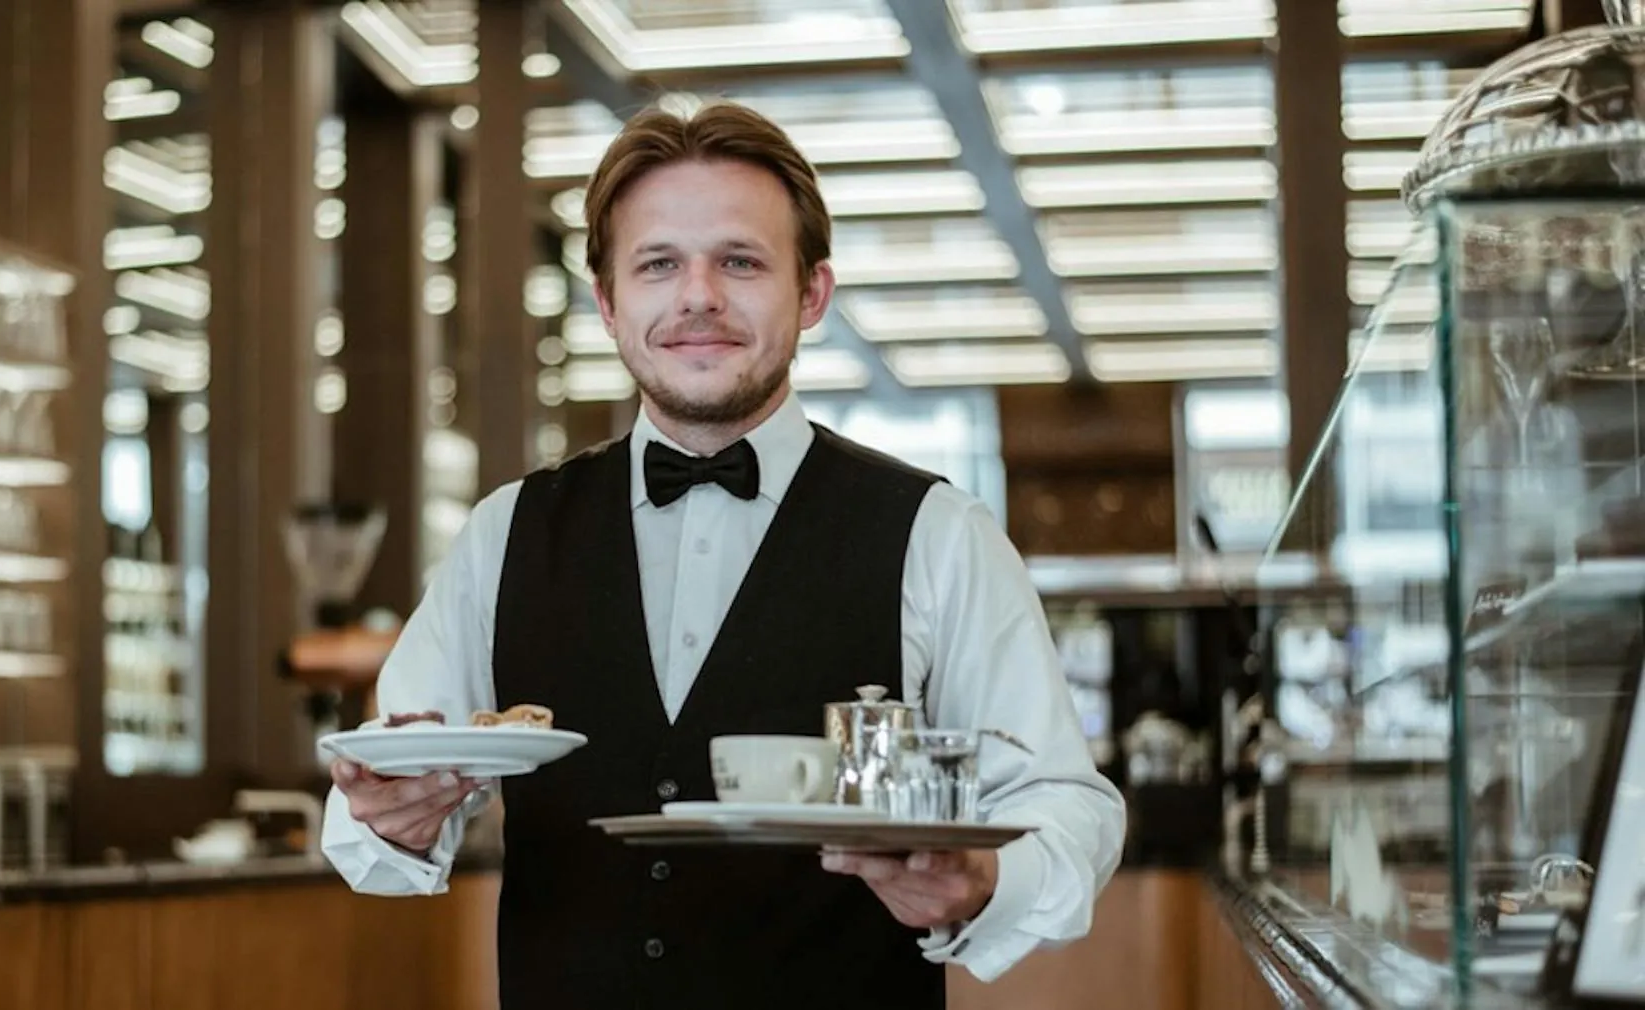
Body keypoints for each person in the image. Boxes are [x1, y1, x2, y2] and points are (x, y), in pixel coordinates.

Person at [322, 99, 1125, 1009]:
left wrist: (985, 884)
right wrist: (391, 815)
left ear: (812, 292)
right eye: (659, 264)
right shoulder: (505, 534)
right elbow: (368, 810)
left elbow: (1069, 805)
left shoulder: (937, 532)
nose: (698, 295)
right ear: (608, 300)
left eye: (739, 261)